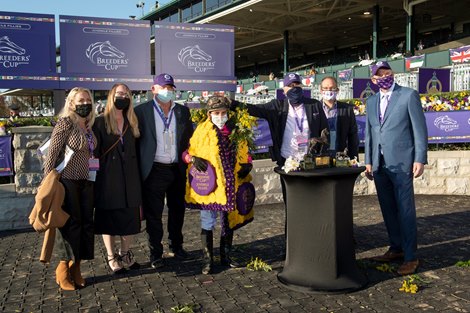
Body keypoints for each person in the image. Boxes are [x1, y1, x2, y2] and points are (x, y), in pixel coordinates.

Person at [364, 61, 428, 276]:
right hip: (380, 164)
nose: (384, 76)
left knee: (405, 210)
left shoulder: (408, 95)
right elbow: (370, 133)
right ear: (373, 80)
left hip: (403, 163)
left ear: (392, 73)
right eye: (379, 74)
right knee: (388, 209)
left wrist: (420, 158)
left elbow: (419, 129)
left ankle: (411, 256)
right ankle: (396, 247)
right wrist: (368, 161)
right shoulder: (371, 101)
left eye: (387, 72)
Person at [183, 96, 254, 275]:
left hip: (231, 183)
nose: (220, 116)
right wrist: (192, 159)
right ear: (209, 114)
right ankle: (207, 260)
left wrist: (248, 164)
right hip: (211, 186)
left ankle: (226, 256)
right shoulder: (201, 131)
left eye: (223, 113)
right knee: (208, 221)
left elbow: (245, 152)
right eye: (216, 113)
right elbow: (186, 152)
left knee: (228, 220)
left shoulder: (236, 130)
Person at [134, 73, 193, 269]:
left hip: (177, 168)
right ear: (153, 90)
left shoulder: (183, 112)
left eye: (170, 88)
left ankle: (176, 246)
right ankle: (155, 253)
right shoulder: (141, 111)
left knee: (178, 211)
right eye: (163, 87)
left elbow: (189, 140)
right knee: (154, 215)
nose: (167, 91)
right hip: (155, 170)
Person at [43, 87, 97, 290]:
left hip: (87, 181)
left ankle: (77, 268)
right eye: (80, 100)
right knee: (70, 226)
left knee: (85, 225)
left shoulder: (88, 125)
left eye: (88, 100)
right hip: (67, 182)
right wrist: (48, 183)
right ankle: (62, 269)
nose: (85, 103)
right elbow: (52, 153)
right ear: (71, 103)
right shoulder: (65, 123)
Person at [93, 83, 142, 274]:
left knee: (129, 219)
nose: (123, 97)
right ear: (111, 96)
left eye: (127, 94)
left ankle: (126, 253)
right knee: (109, 219)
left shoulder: (133, 122)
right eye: (119, 93)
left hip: (130, 178)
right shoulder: (99, 122)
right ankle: (112, 256)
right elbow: (93, 154)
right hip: (108, 179)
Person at [319, 76, 359, 160]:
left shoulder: (347, 109)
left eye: (332, 88)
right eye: (325, 88)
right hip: (320, 158)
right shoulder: (314, 108)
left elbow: (353, 136)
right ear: (321, 90)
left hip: (340, 156)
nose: (328, 90)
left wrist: (354, 158)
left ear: (337, 90)